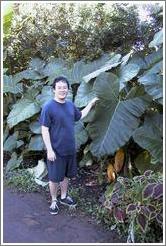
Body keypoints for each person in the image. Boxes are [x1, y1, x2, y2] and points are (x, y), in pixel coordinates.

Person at [39, 76, 98, 215]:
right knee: (54, 178)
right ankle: (54, 200)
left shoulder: (70, 105)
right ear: (54, 90)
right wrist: (49, 150)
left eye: (64, 87)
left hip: (70, 149)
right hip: (56, 151)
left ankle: (64, 196)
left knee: (66, 176)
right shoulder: (48, 107)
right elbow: (44, 129)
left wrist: (91, 103)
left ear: (68, 90)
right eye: (59, 87)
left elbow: (80, 115)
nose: (62, 90)